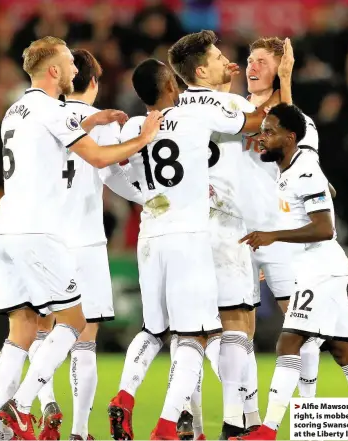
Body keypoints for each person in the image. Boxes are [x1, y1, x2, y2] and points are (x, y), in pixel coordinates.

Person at [0, 36, 162, 441]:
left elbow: (47, 139)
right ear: (53, 70)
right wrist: (145, 135)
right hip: (39, 232)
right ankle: (21, 406)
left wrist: (90, 121)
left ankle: (0, 428)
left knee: (22, 329)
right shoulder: (53, 109)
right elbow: (102, 159)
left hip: (5, 231)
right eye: (67, 63)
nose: (72, 69)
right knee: (75, 321)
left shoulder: (15, 110)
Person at [107, 58, 279, 441]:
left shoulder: (136, 126)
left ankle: (126, 394)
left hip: (150, 237)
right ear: (171, 84)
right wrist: (279, 81)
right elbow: (255, 122)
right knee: (195, 337)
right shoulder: (195, 118)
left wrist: (142, 197)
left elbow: (106, 170)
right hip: (190, 237)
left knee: (153, 329)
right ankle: (170, 425)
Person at [167, 31, 292, 440]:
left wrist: (219, 87)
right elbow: (277, 128)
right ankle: (236, 421)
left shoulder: (174, 109)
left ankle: (188, 414)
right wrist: (284, 79)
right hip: (228, 228)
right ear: (202, 69)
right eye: (220, 57)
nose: (230, 62)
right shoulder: (232, 105)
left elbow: (213, 116)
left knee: (192, 330)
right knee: (238, 323)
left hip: (181, 228)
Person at [234, 103, 348, 441]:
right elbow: (329, 193)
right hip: (320, 267)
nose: (262, 138)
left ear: (290, 137)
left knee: (289, 342)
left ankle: (267, 430)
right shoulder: (294, 169)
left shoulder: (304, 171)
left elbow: (324, 228)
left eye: (269, 132)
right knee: (344, 350)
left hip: (320, 267)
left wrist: (273, 237)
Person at [29, 48, 144, 441]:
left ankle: (46, 409)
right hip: (86, 241)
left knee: (43, 331)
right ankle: (79, 431)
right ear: (94, 82)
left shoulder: (42, 117)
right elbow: (115, 177)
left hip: (43, 238)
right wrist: (151, 198)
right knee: (84, 339)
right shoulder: (103, 126)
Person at [241, 37, 326, 419]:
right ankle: (244, 417)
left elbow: (304, 154)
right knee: (230, 333)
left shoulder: (298, 123)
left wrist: (288, 85)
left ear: (280, 71)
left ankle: (306, 415)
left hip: (279, 238)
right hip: (235, 236)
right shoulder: (232, 111)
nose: (251, 67)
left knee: (302, 327)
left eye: (262, 61)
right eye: (248, 60)